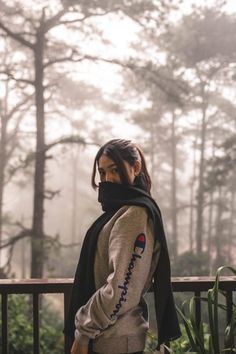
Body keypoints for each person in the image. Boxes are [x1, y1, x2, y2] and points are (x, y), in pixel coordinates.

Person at [64, 139, 181, 354]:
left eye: (115, 170)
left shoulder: (134, 214)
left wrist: (83, 330)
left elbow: (120, 289)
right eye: (102, 173)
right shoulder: (120, 211)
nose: (108, 179)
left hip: (113, 341)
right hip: (107, 337)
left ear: (135, 168)